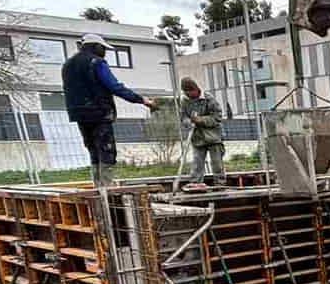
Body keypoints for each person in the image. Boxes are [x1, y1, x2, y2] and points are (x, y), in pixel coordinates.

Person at [63, 32, 158, 186]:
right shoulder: (96, 62)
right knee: (106, 150)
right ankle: (107, 188)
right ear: (97, 47)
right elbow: (114, 86)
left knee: (93, 149)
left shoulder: (68, 65)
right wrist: (141, 100)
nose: (105, 52)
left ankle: (97, 185)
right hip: (99, 112)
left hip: (79, 113)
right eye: (104, 49)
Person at [179, 78, 226, 186]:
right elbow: (183, 116)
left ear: (196, 89)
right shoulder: (184, 100)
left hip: (213, 136)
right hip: (197, 137)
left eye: (191, 93)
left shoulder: (208, 99)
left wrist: (201, 120)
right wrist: (189, 122)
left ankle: (220, 184)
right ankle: (195, 183)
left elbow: (217, 117)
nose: (189, 95)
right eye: (187, 93)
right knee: (197, 162)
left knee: (217, 162)